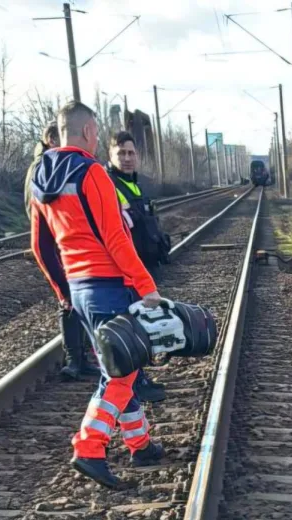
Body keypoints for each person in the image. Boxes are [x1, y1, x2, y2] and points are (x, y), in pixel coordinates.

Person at [29, 101, 165, 488]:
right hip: (107, 285)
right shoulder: (91, 172)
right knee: (122, 371)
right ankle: (90, 446)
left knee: (117, 365)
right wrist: (146, 286)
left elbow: (40, 246)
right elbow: (116, 239)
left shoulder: (40, 176)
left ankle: (140, 444)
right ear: (89, 132)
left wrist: (63, 292)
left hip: (79, 287)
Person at [24, 121, 99, 382]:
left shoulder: (52, 164)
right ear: (54, 141)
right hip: (57, 244)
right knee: (67, 299)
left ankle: (81, 357)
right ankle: (74, 360)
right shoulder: (42, 168)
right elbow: (36, 211)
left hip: (63, 243)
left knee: (75, 300)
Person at [105, 131, 170, 403]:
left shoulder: (134, 185)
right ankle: (135, 383)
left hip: (142, 265)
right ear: (110, 156)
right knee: (131, 326)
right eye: (121, 153)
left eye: (131, 153)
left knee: (140, 323)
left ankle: (138, 378)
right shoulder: (109, 185)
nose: (127, 158)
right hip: (126, 271)